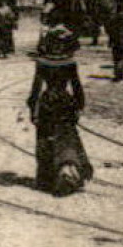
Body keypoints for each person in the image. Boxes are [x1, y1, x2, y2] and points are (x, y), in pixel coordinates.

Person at [24, 26, 93, 196]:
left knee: (45, 138)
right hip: (65, 103)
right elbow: (77, 87)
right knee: (67, 137)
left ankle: (46, 179)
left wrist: (33, 107)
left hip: (47, 104)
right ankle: (69, 172)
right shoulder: (70, 63)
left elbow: (36, 89)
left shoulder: (42, 62)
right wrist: (79, 105)